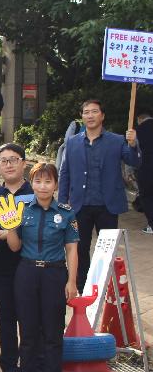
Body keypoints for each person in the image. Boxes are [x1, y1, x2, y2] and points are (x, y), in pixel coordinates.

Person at [7, 163, 79, 372]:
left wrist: (72, 281)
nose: (43, 186)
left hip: (54, 274)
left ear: (56, 184)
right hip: (26, 272)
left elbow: (72, 249)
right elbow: (14, 247)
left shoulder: (66, 213)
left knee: (52, 332)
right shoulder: (21, 210)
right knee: (27, 333)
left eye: (48, 181)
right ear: (32, 183)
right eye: (38, 181)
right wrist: (10, 228)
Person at [59, 99, 138, 292]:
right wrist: (61, 203)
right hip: (79, 205)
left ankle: (104, 287)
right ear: (82, 116)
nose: (90, 115)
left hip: (107, 205)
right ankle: (82, 288)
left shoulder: (117, 140)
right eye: (86, 112)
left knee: (107, 250)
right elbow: (65, 173)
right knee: (80, 248)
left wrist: (133, 144)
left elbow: (134, 161)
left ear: (102, 116)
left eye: (94, 111)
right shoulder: (72, 142)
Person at [0, 143, 35, 372]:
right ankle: (10, 369)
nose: (9, 164)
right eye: (3, 161)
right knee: (6, 318)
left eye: (13, 159)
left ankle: (31, 367)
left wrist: (8, 233)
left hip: (31, 265)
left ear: (24, 163)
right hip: (2, 266)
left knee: (30, 318)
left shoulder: (35, 192)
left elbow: (40, 228)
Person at [136, 110, 153, 234]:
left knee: (147, 196)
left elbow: (135, 150)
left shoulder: (138, 131)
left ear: (140, 120)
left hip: (146, 168)